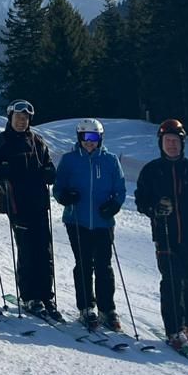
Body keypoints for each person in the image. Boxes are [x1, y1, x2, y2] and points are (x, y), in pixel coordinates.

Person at [134, 118, 188, 354]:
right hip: (166, 236)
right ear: (161, 143)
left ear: (182, 143)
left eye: (175, 141)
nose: (172, 145)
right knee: (171, 282)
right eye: (167, 141)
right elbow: (141, 201)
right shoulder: (152, 170)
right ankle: (174, 329)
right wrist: (155, 209)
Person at [54, 118, 128, 332]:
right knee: (84, 264)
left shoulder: (110, 160)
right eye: (85, 137)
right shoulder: (69, 160)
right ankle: (86, 307)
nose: (89, 142)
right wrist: (65, 197)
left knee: (104, 266)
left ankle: (107, 309)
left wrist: (114, 205)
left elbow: (120, 189)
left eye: (94, 137)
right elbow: (58, 187)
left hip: (103, 221)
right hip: (77, 220)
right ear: (79, 137)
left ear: (100, 138)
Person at [0, 99, 61, 320]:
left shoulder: (37, 141)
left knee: (44, 251)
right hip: (16, 205)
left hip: (39, 203)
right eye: (18, 117)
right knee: (27, 250)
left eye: (25, 118)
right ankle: (30, 296)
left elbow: (48, 165)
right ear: (10, 118)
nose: (22, 121)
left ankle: (46, 295)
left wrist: (50, 173)